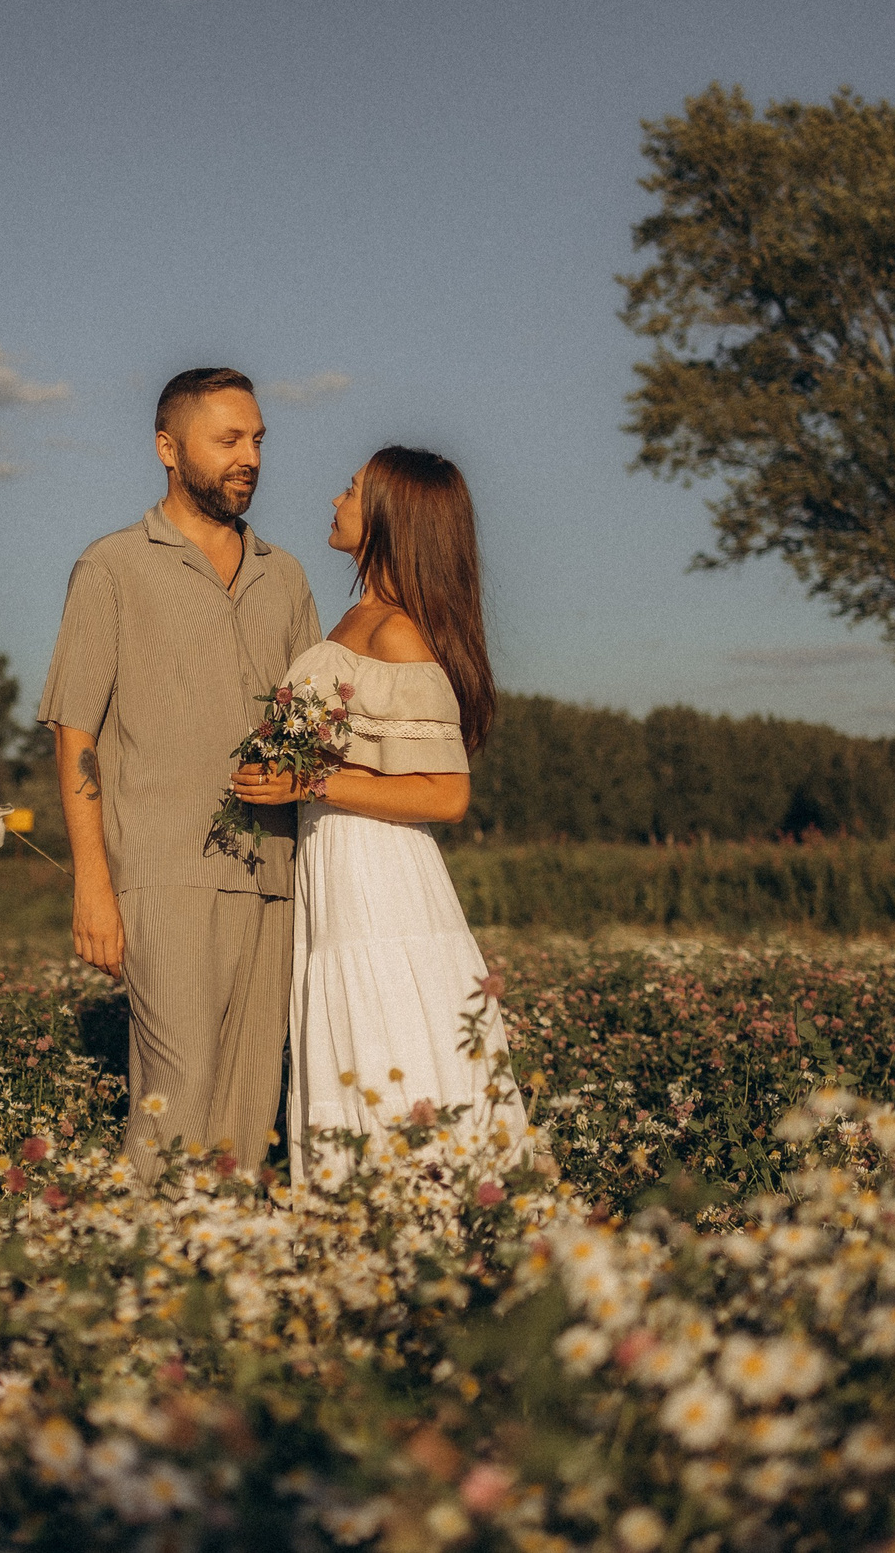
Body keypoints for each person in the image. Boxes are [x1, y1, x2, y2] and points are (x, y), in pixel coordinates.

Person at [35, 367, 322, 1179]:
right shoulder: (113, 567)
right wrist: (92, 882)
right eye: (228, 439)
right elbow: (77, 734)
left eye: (258, 439)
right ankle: (149, 1271)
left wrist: (299, 779)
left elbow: (310, 729)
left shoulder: (287, 575)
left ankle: (224, 1277)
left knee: (250, 1096)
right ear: (168, 447)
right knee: (179, 1086)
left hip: (275, 868)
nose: (250, 457)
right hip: (161, 866)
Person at [227, 445, 528, 1183]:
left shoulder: (397, 630)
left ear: (392, 516)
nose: (335, 498)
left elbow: (445, 793)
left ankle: (418, 1206)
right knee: (356, 1025)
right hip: (339, 862)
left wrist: (312, 785)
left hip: (378, 870)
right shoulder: (359, 616)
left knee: (386, 1022)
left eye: (353, 489)